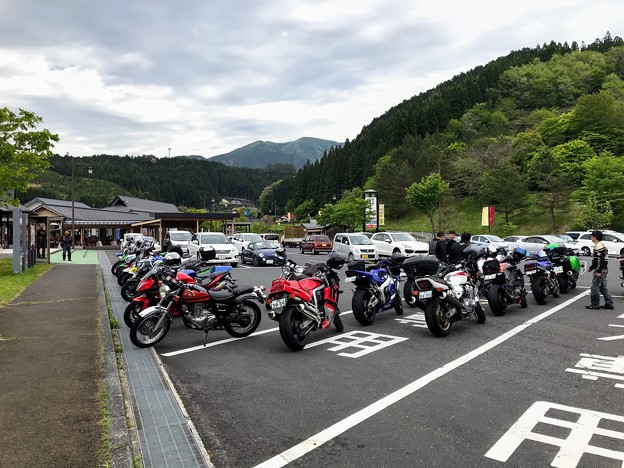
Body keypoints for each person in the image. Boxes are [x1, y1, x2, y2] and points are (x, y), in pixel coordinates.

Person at [586, 230, 614, 310]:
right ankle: (609, 303)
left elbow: (601, 260)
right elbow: (597, 259)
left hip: (600, 269)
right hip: (603, 269)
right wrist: (591, 267)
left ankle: (595, 304)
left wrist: (598, 271)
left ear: (595, 237)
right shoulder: (600, 245)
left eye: (592, 236)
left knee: (594, 287)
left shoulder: (599, 246)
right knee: (603, 287)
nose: (591, 238)